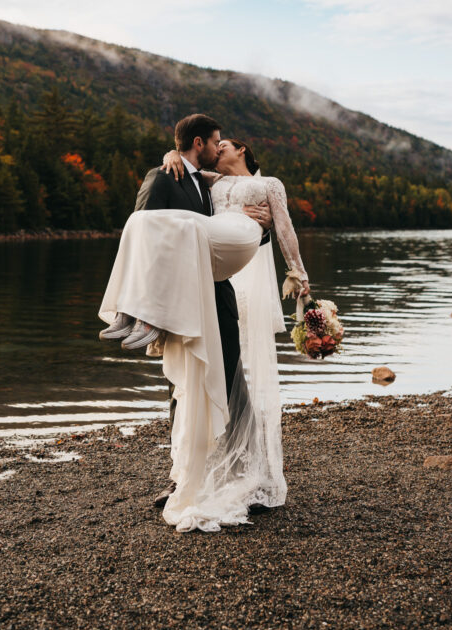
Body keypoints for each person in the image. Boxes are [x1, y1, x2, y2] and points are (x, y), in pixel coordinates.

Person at [98, 118, 310, 532]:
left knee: (233, 385)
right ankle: (184, 478)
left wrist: (269, 235)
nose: (220, 146)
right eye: (217, 141)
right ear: (201, 144)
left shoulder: (222, 187)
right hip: (178, 303)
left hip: (218, 297)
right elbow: (148, 240)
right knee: (186, 388)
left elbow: (241, 237)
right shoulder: (168, 176)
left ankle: (247, 475)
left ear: (243, 153)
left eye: (226, 143)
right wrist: (169, 156)